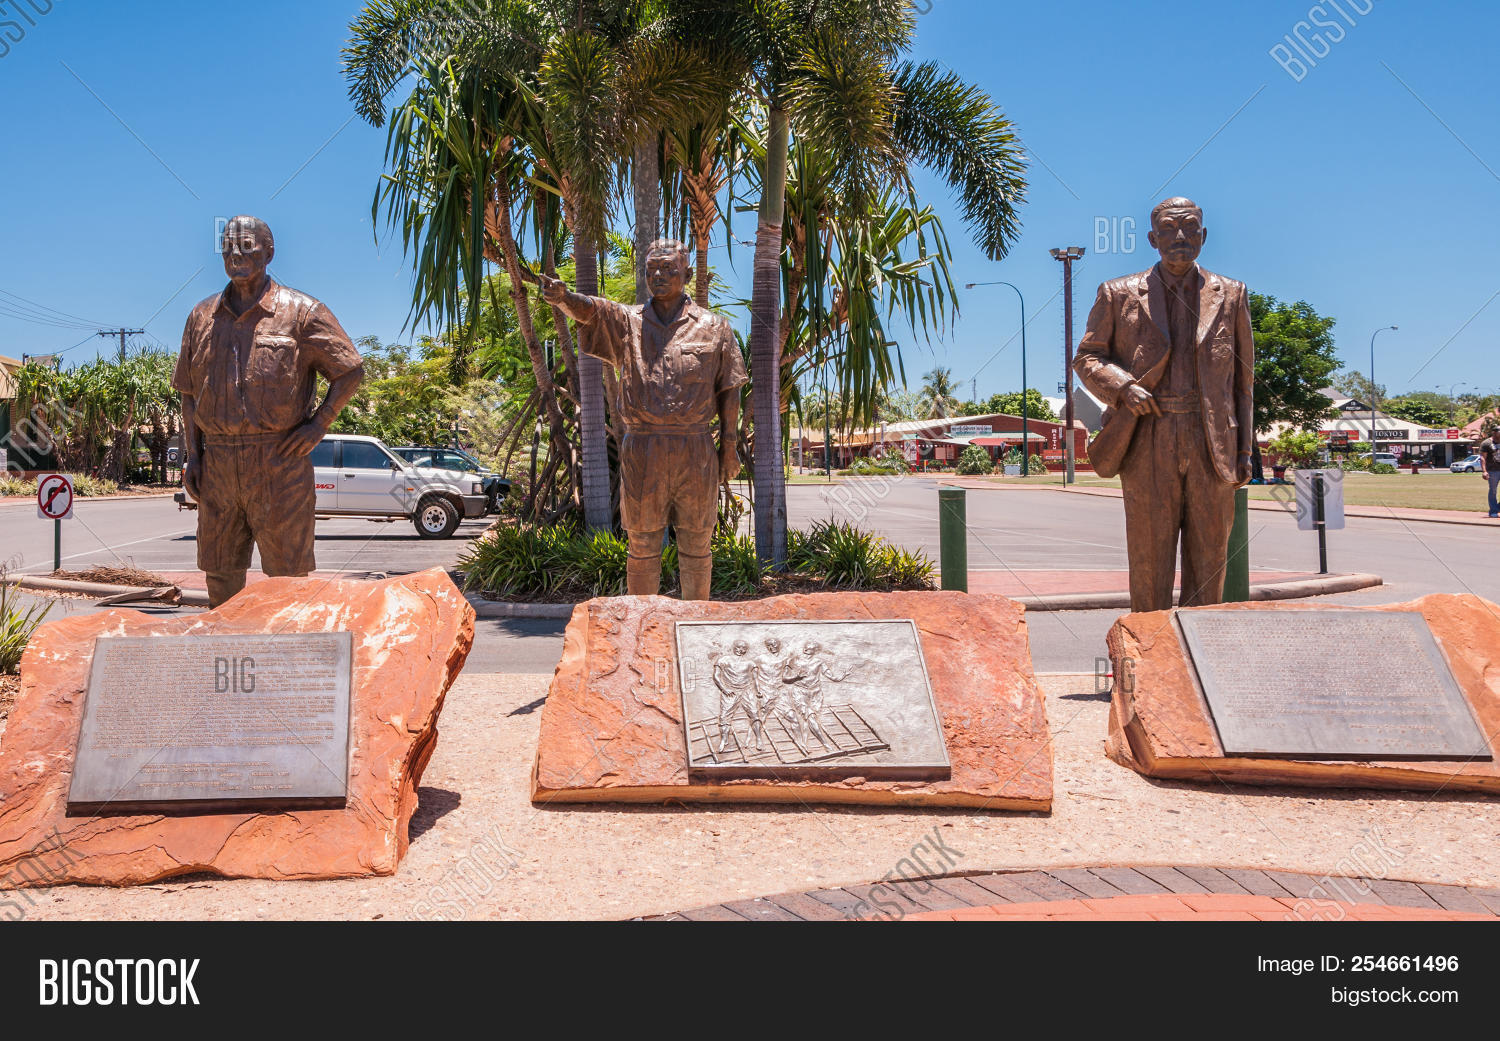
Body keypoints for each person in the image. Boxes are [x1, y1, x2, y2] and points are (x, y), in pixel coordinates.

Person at [1073, 197, 1254, 612]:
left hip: (1211, 443)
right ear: (1153, 239)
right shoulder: (1118, 294)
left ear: (1203, 237)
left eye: (1190, 228)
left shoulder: (1232, 294)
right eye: (1169, 230)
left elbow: (1243, 382)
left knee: (1210, 560)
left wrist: (1245, 449)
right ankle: (1148, 656)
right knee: (1149, 559)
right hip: (1147, 437)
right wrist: (1122, 387)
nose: (1180, 237)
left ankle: (1199, 659)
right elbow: (1086, 358)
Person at [541, 239, 747, 600]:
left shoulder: (715, 327)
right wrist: (563, 297)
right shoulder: (628, 322)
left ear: (686, 273)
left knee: (697, 543)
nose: (659, 276)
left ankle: (695, 624)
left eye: (668, 269)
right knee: (642, 544)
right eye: (652, 269)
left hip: (695, 447)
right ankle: (641, 626)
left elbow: (730, 388)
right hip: (643, 447)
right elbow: (593, 310)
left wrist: (728, 447)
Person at [174, 216, 363, 607]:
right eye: (228, 247)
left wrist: (318, 425)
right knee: (219, 569)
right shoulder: (200, 316)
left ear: (269, 251)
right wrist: (194, 456)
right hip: (219, 462)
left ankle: (288, 658)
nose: (236, 254)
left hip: (280, 460)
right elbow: (188, 394)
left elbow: (349, 371)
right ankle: (225, 653)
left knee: (287, 575)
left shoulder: (304, 312)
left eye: (247, 246)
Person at [710, 640, 757, 754]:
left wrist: (757, 691)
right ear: (734, 647)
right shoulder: (723, 660)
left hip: (746, 691)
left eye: (744, 648)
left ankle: (758, 739)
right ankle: (724, 740)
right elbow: (716, 676)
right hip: (730, 692)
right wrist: (724, 689)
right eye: (738, 647)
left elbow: (755, 678)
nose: (741, 650)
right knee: (724, 716)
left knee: (754, 713)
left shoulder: (750, 662)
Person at [1480, 428, 1500, 517]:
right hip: (1492, 470)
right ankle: (1493, 511)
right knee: (1493, 491)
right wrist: (1484, 471)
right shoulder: (1486, 443)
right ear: (1494, 433)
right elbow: (1482, 458)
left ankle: (1497, 507)